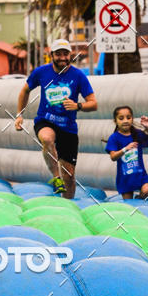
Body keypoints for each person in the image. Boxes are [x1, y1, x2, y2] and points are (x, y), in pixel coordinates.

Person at [14, 38, 97, 197]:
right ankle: (56, 178)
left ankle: (68, 203)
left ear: (70, 55)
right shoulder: (41, 72)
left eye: (66, 54)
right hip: (45, 121)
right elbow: (25, 91)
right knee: (47, 139)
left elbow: (93, 103)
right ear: (51, 55)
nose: (62, 58)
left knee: (69, 176)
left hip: (68, 127)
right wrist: (19, 115)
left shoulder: (78, 76)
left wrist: (78, 105)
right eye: (58, 54)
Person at [106, 106, 148, 201]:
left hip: (140, 174)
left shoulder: (137, 134)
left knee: (147, 190)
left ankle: (140, 199)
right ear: (115, 121)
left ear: (132, 119)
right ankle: (137, 202)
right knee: (129, 204)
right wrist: (125, 149)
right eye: (121, 118)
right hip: (125, 177)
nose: (125, 121)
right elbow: (113, 157)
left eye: (128, 117)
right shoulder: (114, 138)